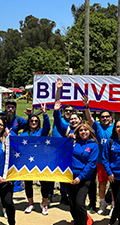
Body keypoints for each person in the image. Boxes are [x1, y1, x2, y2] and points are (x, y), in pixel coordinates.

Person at [82, 95, 115, 215]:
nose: (105, 118)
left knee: (113, 185)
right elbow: (90, 119)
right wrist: (86, 106)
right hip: (101, 161)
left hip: (113, 162)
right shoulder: (98, 126)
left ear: (111, 118)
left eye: (107, 117)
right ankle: (102, 203)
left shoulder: (115, 128)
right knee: (102, 183)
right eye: (102, 117)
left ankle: (113, 205)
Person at [66, 121, 98, 225]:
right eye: (81, 130)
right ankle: (76, 222)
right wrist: (68, 140)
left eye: (85, 130)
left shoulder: (93, 145)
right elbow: (63, 153)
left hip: (84, 179)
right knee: (72, 203)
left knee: (80, 203)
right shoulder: (74, 142)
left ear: (90, 131)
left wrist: (80, 178)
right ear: (77, 132)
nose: (83, 132)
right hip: (69, 177)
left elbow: (91, 164)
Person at [20, 105, 51, 215]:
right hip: (28, 162)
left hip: (41, 161)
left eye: (36, 121)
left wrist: (45, 114)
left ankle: (44, 204)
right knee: (28, 183)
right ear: (29, 122)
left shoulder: (42, 132)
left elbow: (47, 126)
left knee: (45, 183)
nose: (34, 122)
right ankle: (30, 203)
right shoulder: (23, 134)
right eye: (32, 120)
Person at [49, 77, 70, 206]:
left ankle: (64, 195)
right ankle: (50, 195)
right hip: (53, 149)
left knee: (63, 173)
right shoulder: (59, 120)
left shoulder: (73, 124)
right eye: (66, 111)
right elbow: (57, 104)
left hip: (65, 151)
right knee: (51, 172)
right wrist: (59, 89)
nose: (68, 112)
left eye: (70, 111)